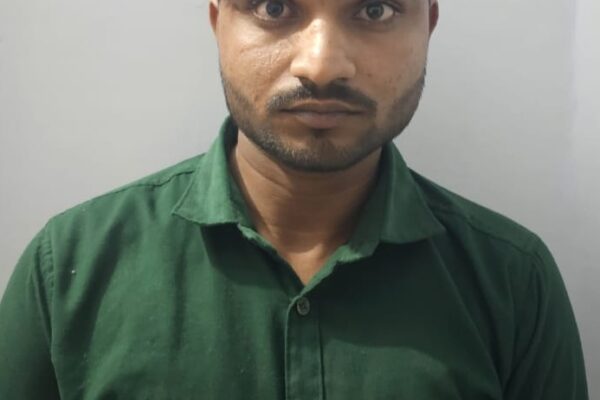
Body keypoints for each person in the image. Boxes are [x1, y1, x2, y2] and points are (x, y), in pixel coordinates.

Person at [0, 0, 589, 398]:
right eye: (274, 7)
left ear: (428, 24)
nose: (322, 65)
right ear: (217, 21)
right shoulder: (68, 267)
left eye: (375, 9)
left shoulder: (514, 280)